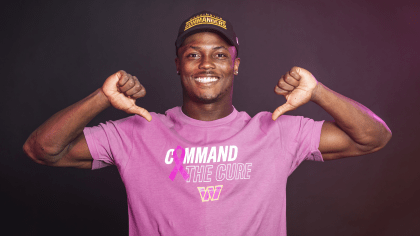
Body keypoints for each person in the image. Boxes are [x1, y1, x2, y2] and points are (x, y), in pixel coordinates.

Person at [23, 10, 392, 236]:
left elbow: (373, 137)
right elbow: (42, 150)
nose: (206, 64)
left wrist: (318, 92)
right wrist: (101, 98)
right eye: (193, 54)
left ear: (235, 64)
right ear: (178, 64)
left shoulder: (274, 130)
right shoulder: (139, 130)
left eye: (219, 54)